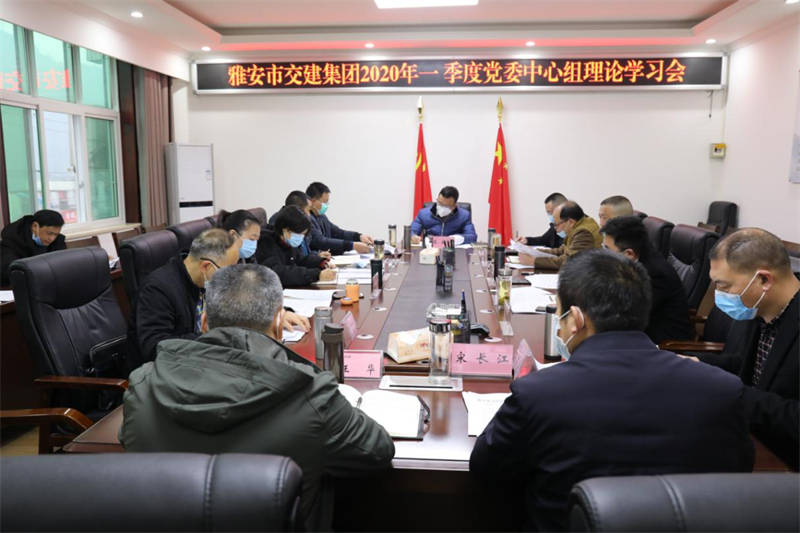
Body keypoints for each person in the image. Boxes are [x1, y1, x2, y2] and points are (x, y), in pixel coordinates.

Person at [470, 250, 754, 531]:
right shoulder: (723, 390)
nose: (558, 328)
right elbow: (738, 472)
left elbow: (486, 469)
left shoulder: (536, 394)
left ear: (577, 319)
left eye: (559, 315)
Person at [119, 263, 395, 530]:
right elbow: (377, 450)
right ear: (279, 323)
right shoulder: (313, 396)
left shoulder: (143, 387)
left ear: (203, 323)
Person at [688, 228, 799, 470]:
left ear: (764, 280)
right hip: (750, 437)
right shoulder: (757, 310)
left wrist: (734, 393)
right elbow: (749, 365)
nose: (719, 296)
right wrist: (696, 365)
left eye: (724, 286)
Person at [127, 228, 241, 371]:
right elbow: (154, 347)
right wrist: (209, 336)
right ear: (206, 266)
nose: (229, 279)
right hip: (161, 372)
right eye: (227, 272)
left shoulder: (204, 282)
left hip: (197, 362)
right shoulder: (157, 289)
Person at [602, 216, 692, 344]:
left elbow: (627, 313)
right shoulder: (637, 258)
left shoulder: (655, 274)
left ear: (629, 254)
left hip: (664, 343)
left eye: (607, 249)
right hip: (640, 331)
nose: (603, 254)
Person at [256, 205, 337, 287]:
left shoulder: (287, 242)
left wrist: (321, 262)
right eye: (299, 234)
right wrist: (317, 275)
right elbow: (279, 273)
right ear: (285, 230)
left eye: (303, 234)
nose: (301, 237)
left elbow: (300, 260)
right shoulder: (266, 243)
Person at [519, 201, 601, 269]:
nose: (555, 229)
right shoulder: (578, 225)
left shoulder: (583, 232)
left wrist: (533, 261)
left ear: (570, 222)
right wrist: (534, 252)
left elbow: (569, 261)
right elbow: (562, 250)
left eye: (556, 224)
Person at [1, 209, 66, 285]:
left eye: (56, 234)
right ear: (35, 226)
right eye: (49, 233)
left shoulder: (57, 241)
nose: (52, 239)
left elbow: (62, 267)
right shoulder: (11, 242)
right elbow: (12, 273)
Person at [306, 181, 372, 255]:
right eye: (324, 202)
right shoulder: (307, 219)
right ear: (313, 201)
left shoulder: (321, 216)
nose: (326, 205)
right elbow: (321, 242)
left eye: (327, 203)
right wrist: (352, 245)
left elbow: (338, 233)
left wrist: (359, 236)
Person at [268, 190, 330, 260]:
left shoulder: (303, 224)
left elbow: (302, 256)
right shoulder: (279, 224)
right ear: (298, 210)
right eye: (308, 210)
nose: (309, 214)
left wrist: (317, 256)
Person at [410, 186, 477, 245]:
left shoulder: (464, 216)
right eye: (439, 203)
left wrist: (457, 239)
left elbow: (472, 237)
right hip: (431, 250)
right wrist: (413, 236)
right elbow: (412, 231)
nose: (441, 207)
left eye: (445, 206)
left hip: (453, 251)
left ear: (454, 206)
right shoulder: (424, 214)